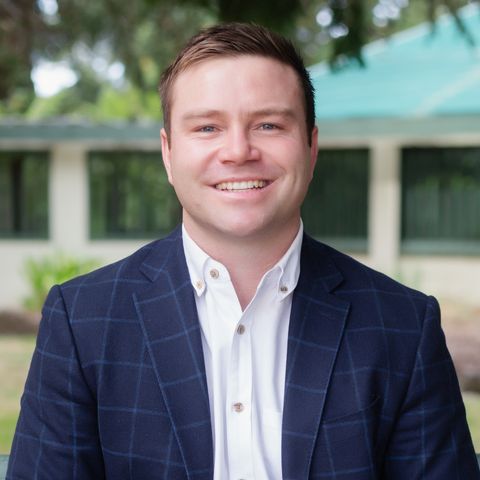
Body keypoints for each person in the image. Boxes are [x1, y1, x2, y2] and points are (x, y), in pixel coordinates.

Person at [7, 23, 479, 480]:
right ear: (168, 153)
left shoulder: (403, 326)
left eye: (269, 124)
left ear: (311, 147)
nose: (238, 151)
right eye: (207, 127)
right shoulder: (83, 321)